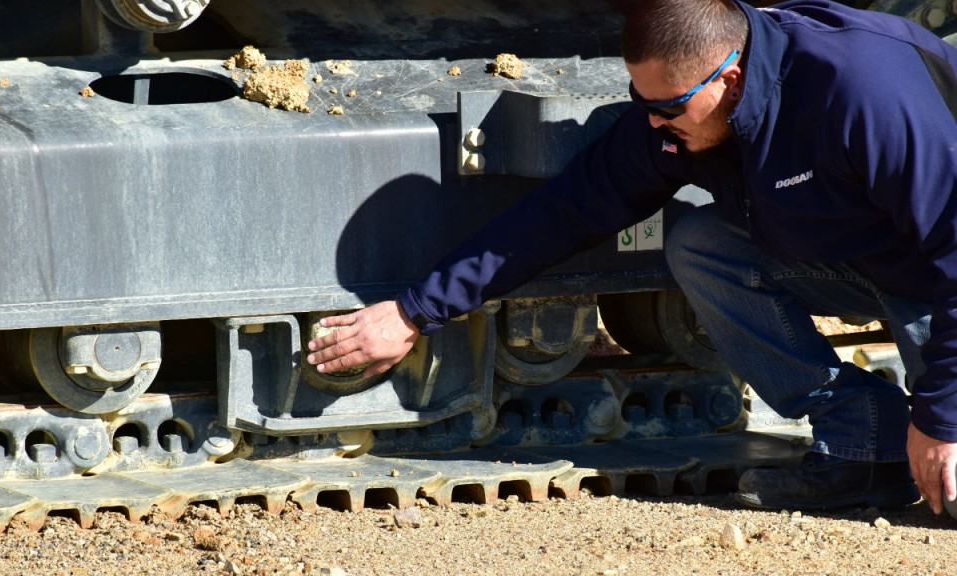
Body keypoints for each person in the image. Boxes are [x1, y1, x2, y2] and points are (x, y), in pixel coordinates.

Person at [306, 0, 957, 515]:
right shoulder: (679, 115)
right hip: (863, 262)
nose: (651, 123)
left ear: (729, 76)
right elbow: (562, 214)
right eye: (643, 103)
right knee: (701, 245)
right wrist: (416, 312)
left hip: (938, 274)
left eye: (668, 107)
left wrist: (941, 416)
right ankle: (862, 440)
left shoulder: (862, 93)